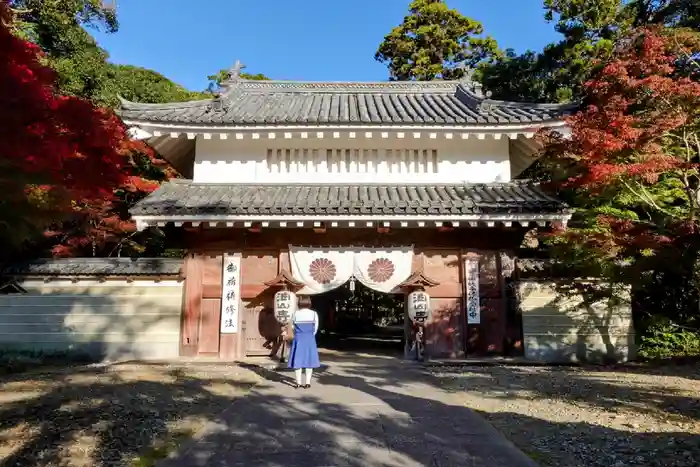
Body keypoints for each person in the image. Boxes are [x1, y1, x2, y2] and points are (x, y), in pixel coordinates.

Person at [287, 295, 320, 389]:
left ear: (299, 303)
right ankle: (308, 383)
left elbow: (292, 327)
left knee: (298, 361)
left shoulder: (295, 314)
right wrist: (310, 334)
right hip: (309, 339)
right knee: (309, 361)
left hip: (299, 339)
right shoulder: (314, 314)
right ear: (309, 303)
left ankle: (298, 383)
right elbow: (315, 329)